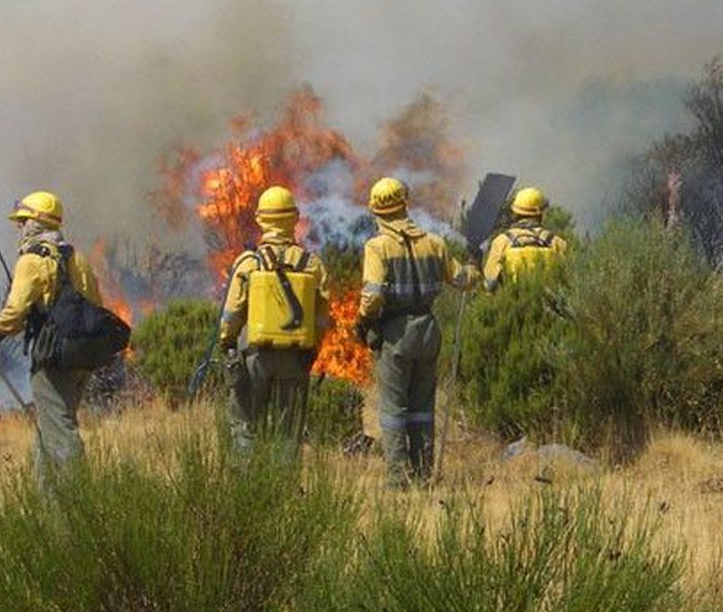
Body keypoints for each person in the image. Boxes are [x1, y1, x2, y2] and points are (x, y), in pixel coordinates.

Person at [354, 177, 474, 487]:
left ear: (376, 211)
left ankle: (398, 480)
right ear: (405, 204)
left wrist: (364, 320)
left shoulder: (377, 246)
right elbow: (461, 279)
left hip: (395, 332)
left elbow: (375, 294)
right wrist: (474, 267)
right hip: (428, 330)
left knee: (394, 409)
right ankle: (423, 475)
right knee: (422, 407)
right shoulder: (433, 242)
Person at [0, 190, 102, 485]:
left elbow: (15, 311)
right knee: (50, 428)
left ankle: (80, 501)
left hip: (53, 357)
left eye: (22, 222)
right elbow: (96, 302)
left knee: (59, 429)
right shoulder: (77, 258)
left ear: (34, 223)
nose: (19, 229)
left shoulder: (32, 260)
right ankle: (46, 503)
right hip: (84, 356)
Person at [217, 185, 330, 459]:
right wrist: (311, 351)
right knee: (288, 433)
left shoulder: (247, 263)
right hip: (295, 361)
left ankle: (245, 488)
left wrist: (227, 343)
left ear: (260, 219)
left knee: (244, 427)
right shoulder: (312, 264)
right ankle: (285, 492)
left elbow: (231, 314)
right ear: (295, 218)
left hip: (254, 359)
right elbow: (322, 320)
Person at [481, 186, 569, 291]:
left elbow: (489, 283)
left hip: (511, 303)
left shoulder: (501, 241)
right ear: (541, 213)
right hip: (549, 304)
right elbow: (568, 280)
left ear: (514, 213)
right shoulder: (558, 243)